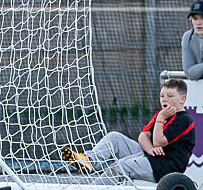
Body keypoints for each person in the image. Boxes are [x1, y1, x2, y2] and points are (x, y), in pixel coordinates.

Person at [62, 78, 195, 182]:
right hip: (149, 156)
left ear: (182, 99)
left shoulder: (183, 120)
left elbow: (159, 142)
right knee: (114, 137)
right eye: (162, 96)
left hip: (164, 167)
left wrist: (161, 118)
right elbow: (143, 136)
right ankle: (89, 161)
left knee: (120, 166)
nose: (164, 99)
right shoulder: (161, 115)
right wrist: (149, 149)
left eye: (170, 96)